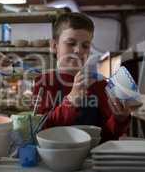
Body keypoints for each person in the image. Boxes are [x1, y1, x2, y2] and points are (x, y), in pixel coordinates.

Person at [32, 12, 136, 142]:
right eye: (71, 43)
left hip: (93, 158)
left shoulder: (100, 85)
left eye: (85, 46)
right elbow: (39, 131)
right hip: (56, 158)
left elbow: (108, 136)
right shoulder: (44, 82)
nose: (78, 50)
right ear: (54, 46)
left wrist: (120, 119)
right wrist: (71, 100)